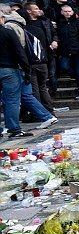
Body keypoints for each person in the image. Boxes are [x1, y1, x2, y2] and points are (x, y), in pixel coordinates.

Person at [0, 10, 33, 138]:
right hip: (9, 69)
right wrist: (27, 70)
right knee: (12, 100)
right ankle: (14, 129)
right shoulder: (7, 32)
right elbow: (19, 52)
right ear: (1, 18)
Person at [55, 5, 79, 100]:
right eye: (65, 11)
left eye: (69, 11)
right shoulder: (61, 23)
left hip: (78, 51)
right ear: (62, 12)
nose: (68, 13)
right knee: (64, 67)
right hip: (65, 51)